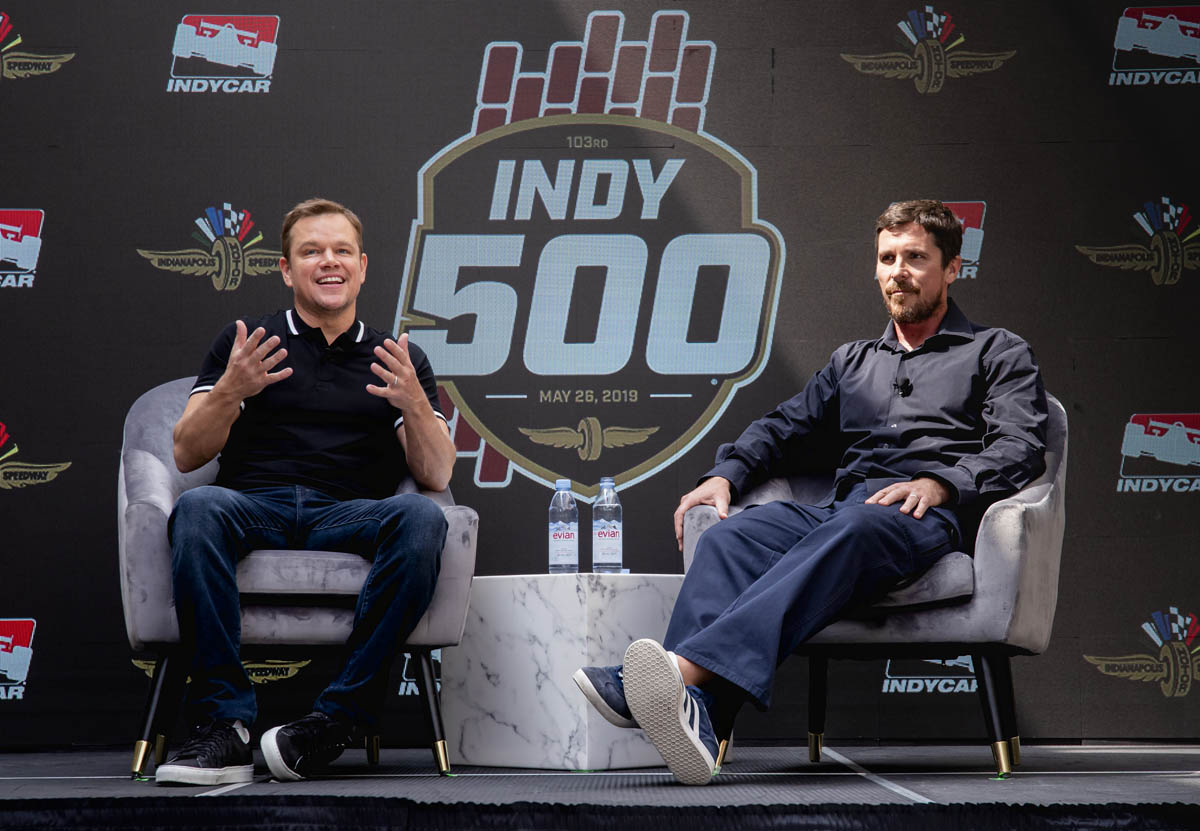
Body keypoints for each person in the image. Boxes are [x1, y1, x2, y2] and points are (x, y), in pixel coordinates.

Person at [573, 199, 1048, 785]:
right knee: (730, 538)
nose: (898, 272)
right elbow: (783, 427)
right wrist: (726, 474)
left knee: (858, 525)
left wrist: (942, 484)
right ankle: (701, 716)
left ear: (951, 268)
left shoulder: (997, 351)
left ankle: (679, 672)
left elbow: (1021, 447)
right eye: (887, 258)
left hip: (924, 517)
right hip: (843, 510)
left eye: (916, 258)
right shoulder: (852, 363)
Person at [156, 198, 456, 785]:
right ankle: (225, 726)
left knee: (423, 518)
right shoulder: (248, 343)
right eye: (311, 251)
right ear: (287, 269)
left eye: (342, 251)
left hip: (348, 511)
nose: (329, 262)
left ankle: (337, 720)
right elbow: (188, 454)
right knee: (198, 507)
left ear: (362, 267)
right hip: (254, 505)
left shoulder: (398, 358)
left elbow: (436, 475)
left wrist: (416, 404)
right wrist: (230, 389)